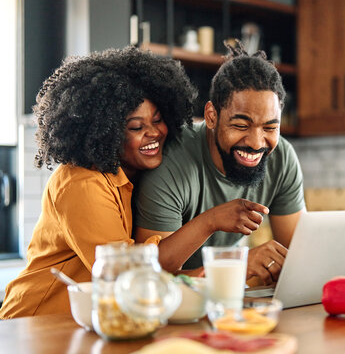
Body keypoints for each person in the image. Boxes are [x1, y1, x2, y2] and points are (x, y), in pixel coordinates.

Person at [0, 46, 198, 319]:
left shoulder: (136, 174)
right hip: (34, 322)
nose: (153, 133)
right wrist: (209, 224)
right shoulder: (81, 183)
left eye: (158, 120)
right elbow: (125, 273)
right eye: (136, 127)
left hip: (85, 323)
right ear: (104, 132)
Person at [135, 41, 306, 285]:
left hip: (227, 298)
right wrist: (214, 225)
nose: (257, 143)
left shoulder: (282, 159)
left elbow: (299, 254)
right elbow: (148, 274)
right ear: (211, 116)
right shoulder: (171, 159)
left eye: (270, 127)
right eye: (240, 125)